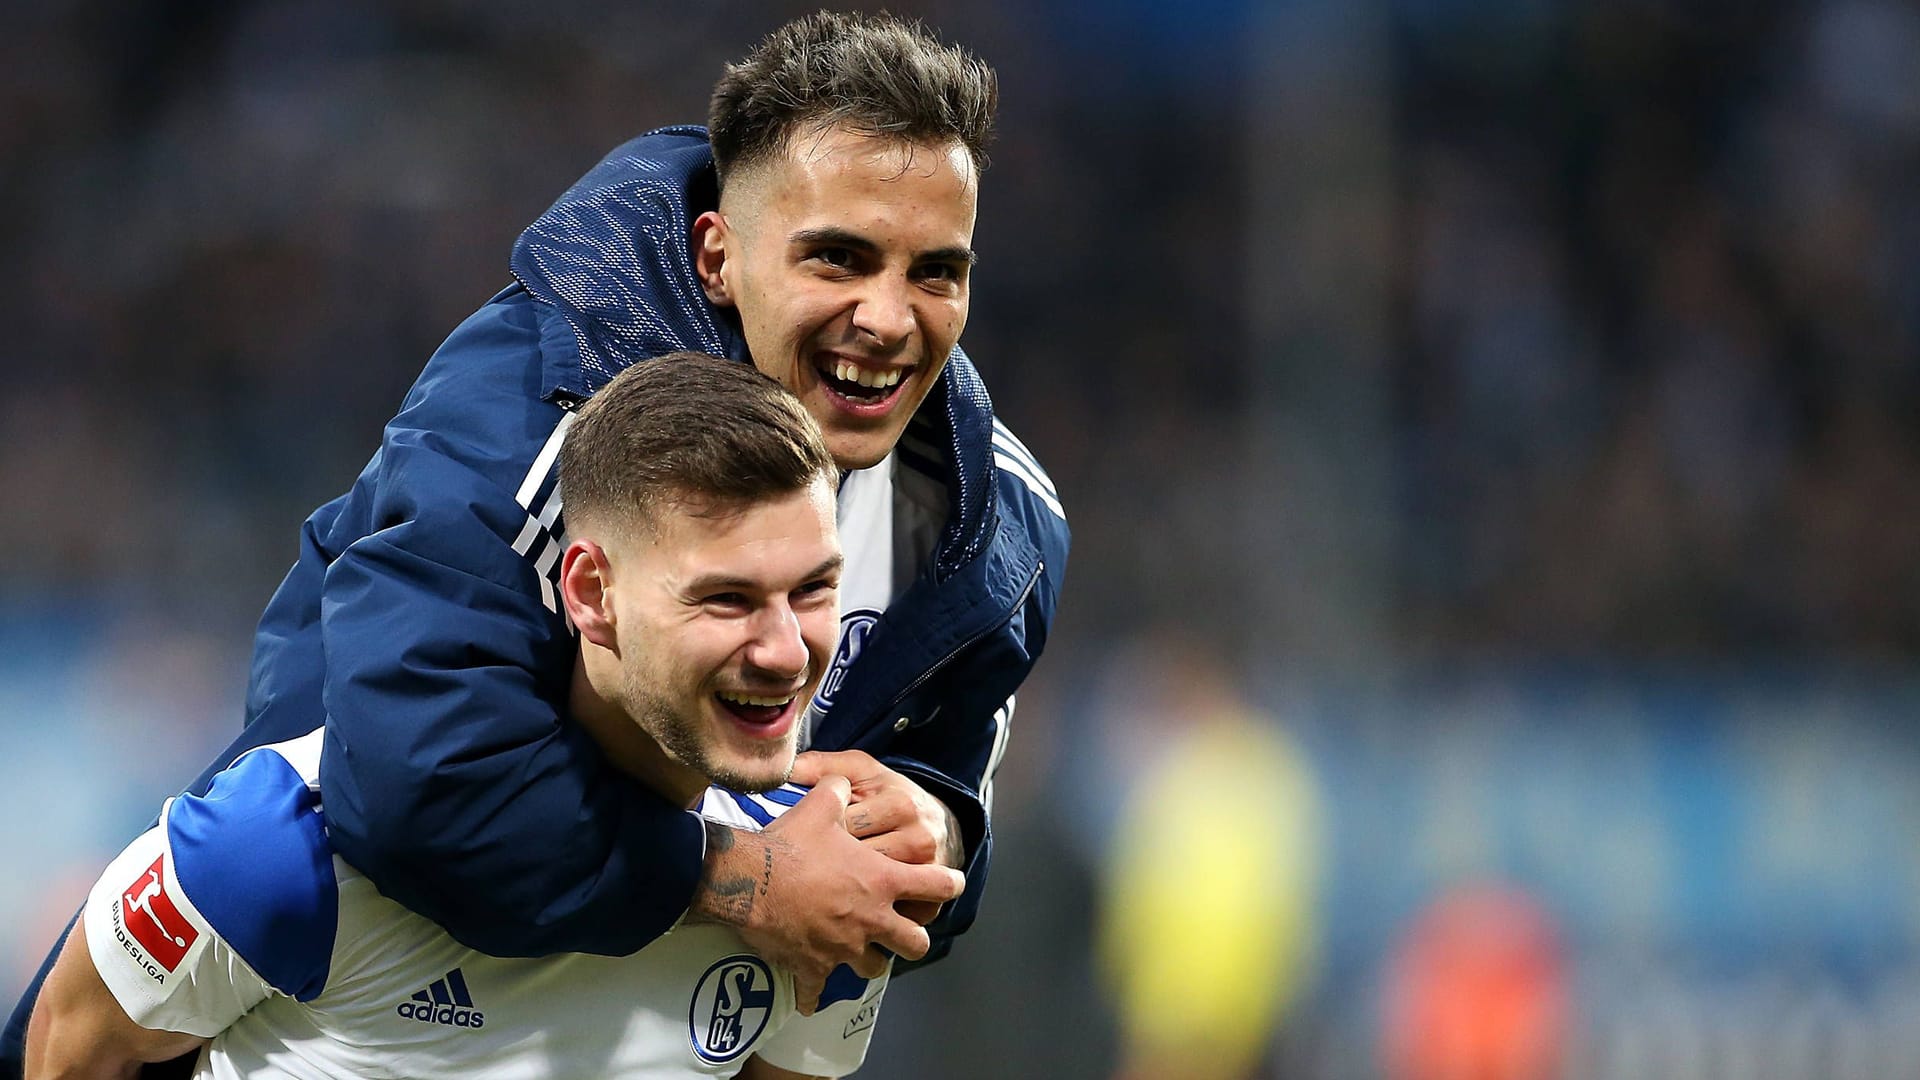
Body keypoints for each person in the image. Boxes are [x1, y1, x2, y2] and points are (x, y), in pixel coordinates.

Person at [3, 9, 1069, 1073]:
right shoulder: (535, 408)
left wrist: (937, 832)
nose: (889, 318)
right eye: (838, 258)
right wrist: (744, 878)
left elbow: (932, 820)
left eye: (937, 270)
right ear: (717, 257)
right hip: (365, 974)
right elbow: (411, 773)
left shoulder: (995, 533)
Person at [27, 355, 929, 1079]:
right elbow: (71, 1050)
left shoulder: (833, 892)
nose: (785, 649)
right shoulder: (279, 842)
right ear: (591, 595)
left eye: (812, 589)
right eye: (725, 600)